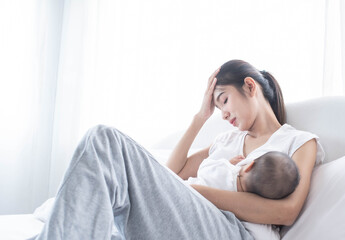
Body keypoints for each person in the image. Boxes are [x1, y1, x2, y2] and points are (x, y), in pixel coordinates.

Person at [35, 59, 325, 240]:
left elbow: (286, 212)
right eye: (218, 105)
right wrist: (200, 117)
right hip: (195, 221)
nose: (222, 114)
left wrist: (198, 192)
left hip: (235, 232)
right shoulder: (227, 141)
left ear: (250, 86)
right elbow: (169, 174)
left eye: (223, 100)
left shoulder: (298, 141)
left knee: (105, 140)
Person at [186, 151, 300, 240]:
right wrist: (273, 228)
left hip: (186, 193)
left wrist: (228, 164)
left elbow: (204, 166)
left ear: (249, 165)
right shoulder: (252, 217)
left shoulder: (222, 168)